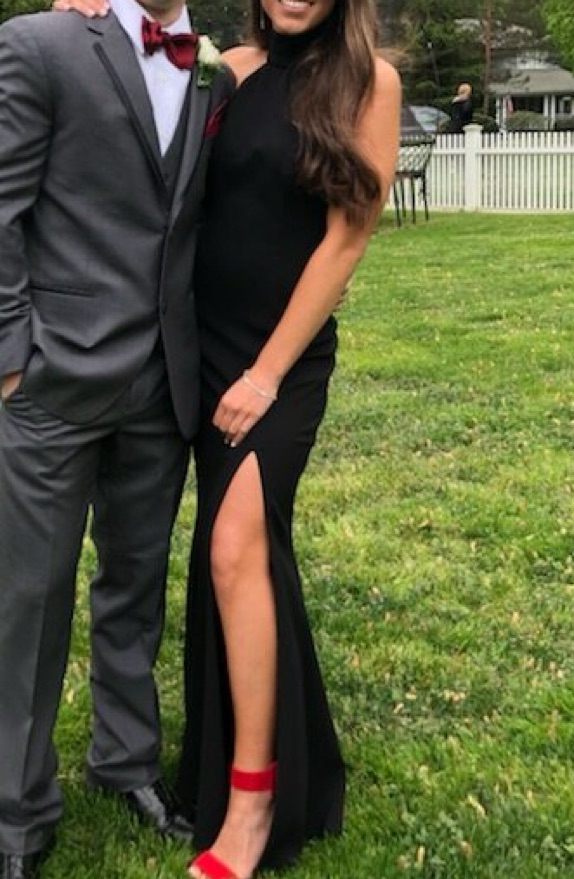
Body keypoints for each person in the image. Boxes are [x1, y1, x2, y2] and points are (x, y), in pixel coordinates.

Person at [53, 0, 400, 876]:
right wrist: (87, 11)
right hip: (200, 351)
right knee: (241, 557)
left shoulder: (370, 81)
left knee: (235, 548)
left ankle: (251, 805)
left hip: (280, 361)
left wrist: (268, 373)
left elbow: (346, 239)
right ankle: (269, 753)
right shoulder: (226, 71)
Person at [0, 2, 235, 877]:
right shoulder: (41, 44)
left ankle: (125, 762)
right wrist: (11, 359)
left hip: (162, 381)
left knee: (135, 587)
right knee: (30, 598)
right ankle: (16, 813)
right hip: (53, 380)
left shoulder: (213, 70)